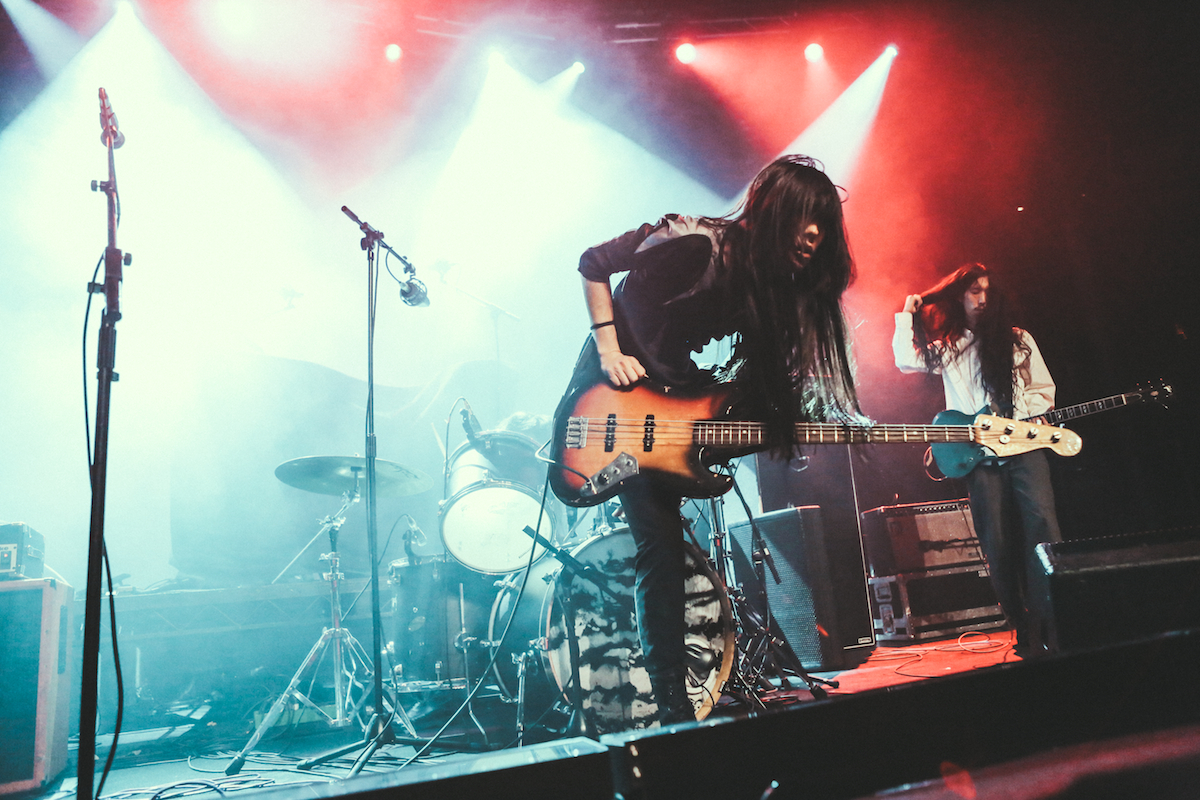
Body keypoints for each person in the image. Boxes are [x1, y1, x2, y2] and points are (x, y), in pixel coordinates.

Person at [562, 155, 864, 723]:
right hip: (612, 396)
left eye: (824, 224)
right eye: (806, 217)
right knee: (660, 545)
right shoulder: (695, 242)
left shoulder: (766, 289)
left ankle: (679, 704)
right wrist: (609, 349)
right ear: (774, 210)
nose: (815, 234)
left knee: (667, 543)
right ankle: (675, 710)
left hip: (676, 399)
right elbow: (593, 262)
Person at [893, 262, 1061, 658]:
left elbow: (1044, 390)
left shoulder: (1018, 340)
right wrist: (906, 314)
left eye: (987, 290)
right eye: (973, 291)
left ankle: (1054, 620)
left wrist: (1020, 414)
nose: (982, 299)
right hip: (980, 457)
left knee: (1044, 530)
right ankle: (1023, 629)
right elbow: (905, 361)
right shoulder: (951, 346)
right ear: (960, 297)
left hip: (1024, 447)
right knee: (997, 544)